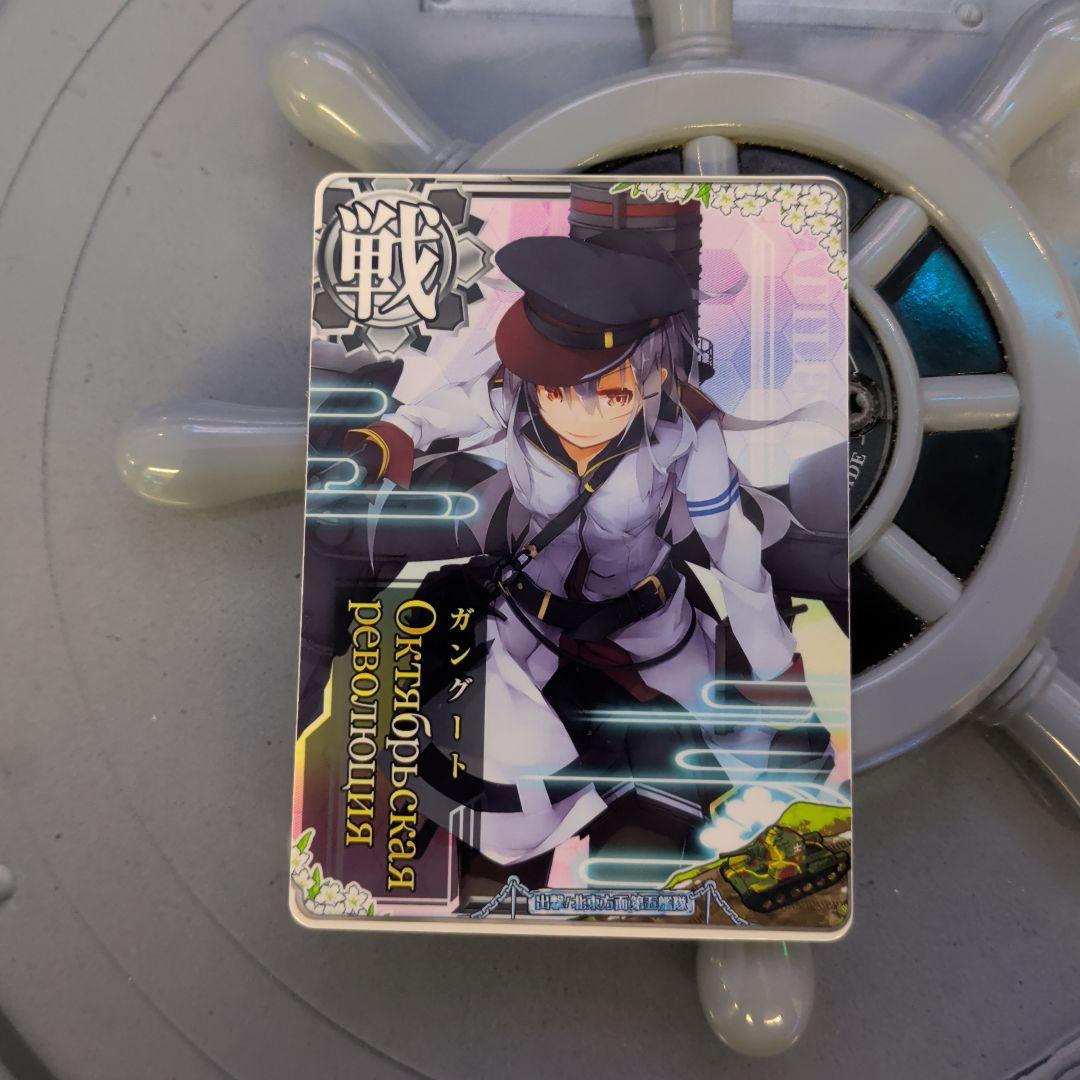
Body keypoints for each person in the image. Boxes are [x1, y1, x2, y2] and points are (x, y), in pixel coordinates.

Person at [301, 230, 833, 886]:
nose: (576, 414)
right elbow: (446, 408)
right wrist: (393, 435)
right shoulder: (517, 397)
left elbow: (733, 549)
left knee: (708, 775)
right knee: (494, 785)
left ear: (654, 374)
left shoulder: (685, 438)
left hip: (648, 629)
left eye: (609, 394)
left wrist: (776, 669)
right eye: (556, 390)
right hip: (529, 623)